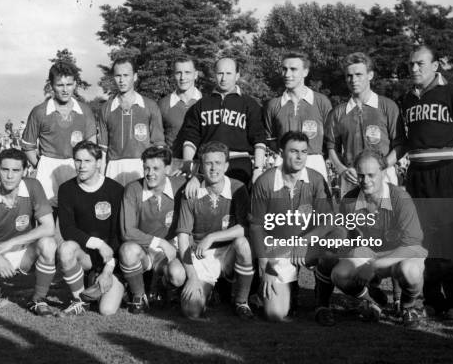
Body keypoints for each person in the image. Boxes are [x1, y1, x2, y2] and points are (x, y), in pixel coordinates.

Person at [399, 45, 453, 322]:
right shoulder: (407, 99)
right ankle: (432, 300)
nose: (414, 69)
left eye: (420, 63)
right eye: (411, 64)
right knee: (424, 241)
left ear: (436, 65)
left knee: (451, 240)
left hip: (446, 171)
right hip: (417, 174)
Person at [315, 150, 427, 327]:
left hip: (400, 254)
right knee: (339, 274)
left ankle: (408, 307)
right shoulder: (349, 200)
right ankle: (369, 300)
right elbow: (346, 237)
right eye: (360, 175)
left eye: (371, 175)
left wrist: (373, 266)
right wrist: (328, 249)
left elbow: (412, 244)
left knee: (410, 271)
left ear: (383, 172)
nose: (365, 181)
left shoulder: (400, 198)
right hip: (369, 253)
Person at [250, 131, 338, 322]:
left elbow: (329, 220)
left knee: (331, 253)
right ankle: (283, 289)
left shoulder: (316, 179)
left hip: (306, 245)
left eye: (304, 151)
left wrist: (306, 239)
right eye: (294, 151)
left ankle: (322, 304)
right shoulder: (264, 182)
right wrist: (266, 265)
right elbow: (256, 226)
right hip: (276, 248)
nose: (299, 157)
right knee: (276, 314)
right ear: (281, 153)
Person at [0, 149, 57, 316]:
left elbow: (49, 227)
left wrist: (12, 243)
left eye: (16, 170)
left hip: (23, 248)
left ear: (25, 171)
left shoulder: (33, 186)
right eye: (5, 169)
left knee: (49, 243)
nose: (10, 176)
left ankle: (38, 299)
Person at [176, 141, 255, 320]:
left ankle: (242, 302)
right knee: (191, 311)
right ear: (201, 166)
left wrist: (212, 237)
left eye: (218, 163)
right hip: (202, 255)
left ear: (226, 166)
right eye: (208, 163)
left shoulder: (238, 188)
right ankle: (210, 291)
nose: (213, 168)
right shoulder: (191, 191)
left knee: (243, 244)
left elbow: (246, 227)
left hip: (229, 252)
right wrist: (192, 277)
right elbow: (182, 237)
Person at [21, 61, 101, 213]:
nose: (65, 90)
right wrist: (40, 165)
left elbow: (92, 145)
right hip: (48, 167)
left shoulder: (85, 111)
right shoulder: (39, 111)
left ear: (75, 84)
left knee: (78, 217)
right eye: (60, 85)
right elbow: (28, 146)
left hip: (75, 166)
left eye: (69, 84)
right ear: (51, 86)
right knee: (47, 219)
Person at [56, 141, 125, 316]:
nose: (81, 166)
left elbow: (120, 233)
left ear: (99, 163)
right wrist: (98, 244)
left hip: (111, 259)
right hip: (87, 256)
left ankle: (120, 286)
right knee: (65, 249)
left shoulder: (115, 190)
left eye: (87, 161)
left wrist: (109, 268)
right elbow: (67, 229)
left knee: (107, 310)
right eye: (78, 160)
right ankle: (80, 301)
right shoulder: (66, 189)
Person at [180, 57, 266, 191]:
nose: (224, 78)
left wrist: (258, 169)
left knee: (238, 208)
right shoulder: (201, 105)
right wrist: (188, 165)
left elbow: (259, 139)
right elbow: (191, 138)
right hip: (208, 165)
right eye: (220, 73)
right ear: (215, 75)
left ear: (237, 75)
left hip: (239, 165)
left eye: (229, 73)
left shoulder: (250, 104)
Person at [119, 146, 186, 313]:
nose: (150, 173)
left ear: (168, 169)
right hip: (143, 248)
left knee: (178, 275)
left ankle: (162, 286)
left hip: (168, 250)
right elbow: (127, 231)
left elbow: (205, 175)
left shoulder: (181, 186)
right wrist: (160, 242)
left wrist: (196, 180)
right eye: (146, 168)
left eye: (156, 168)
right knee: (127, 251)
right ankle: (139, 295)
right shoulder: (133, 189)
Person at [325, 52, 402, 198]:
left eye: (359, 74)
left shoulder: (388, 106)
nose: (353, 80)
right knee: (354, 220)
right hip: (352, 177)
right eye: (349, 75)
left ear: (370, 75)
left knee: (386, 219)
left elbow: (400, 145)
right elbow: (331, 148)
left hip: (383, 176)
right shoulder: (337, 112)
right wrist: (342, 170)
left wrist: (383, 165)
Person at [263, 52, 332, 181]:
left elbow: (331, 139)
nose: (287, 74)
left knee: (317, 201)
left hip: (314, 162)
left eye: (293, 69)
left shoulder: (322, 102)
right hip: (284, 164)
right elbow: (270, 140)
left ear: (305, 72)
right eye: (284, 69)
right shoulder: (273, 105)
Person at [99, 58, 165, 186]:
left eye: (126, 75)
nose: (122, 80)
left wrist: (158, 175)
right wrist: (101, 179)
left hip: (142, 166)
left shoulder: (150, 106)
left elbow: (158, 145)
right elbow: (102, 150)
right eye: (118, 76)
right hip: (114, 167)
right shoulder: (106, 108)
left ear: (135, 77)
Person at [158, 56, 202, 174]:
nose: (183, 77)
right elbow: (158, 141)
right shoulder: (163, 104)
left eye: (187, 72)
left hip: (201, 166)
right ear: (174, 75)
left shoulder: (206, 102)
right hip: (172, 167)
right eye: (179, 73)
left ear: (196, 74)